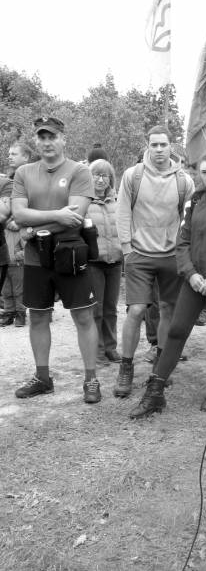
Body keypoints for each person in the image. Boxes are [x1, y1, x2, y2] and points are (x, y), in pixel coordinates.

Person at [129, 148, 206, 419]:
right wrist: (191, 274)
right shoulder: (196, 199)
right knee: (177, 329)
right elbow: (183, 242)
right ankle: (155, 392)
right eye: (204, 172)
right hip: (195, 278)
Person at [11, 116, 101, 403]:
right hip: (36, 258)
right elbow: (19, 213)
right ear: (36, 141)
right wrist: (54, 216)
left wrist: (29, 230)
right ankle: (42, 377)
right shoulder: (24, 172)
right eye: (42, 137)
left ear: (63, 139)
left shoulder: (79, 171)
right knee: (38, 317)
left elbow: (75, 216)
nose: (47, 142)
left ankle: (91, 379)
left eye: (53, 137)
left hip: (70, 255)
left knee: (83, 316)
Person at [114, 125, 194, 398]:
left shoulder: (185, 181)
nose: (159, 149)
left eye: (163, 144)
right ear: (147, 146)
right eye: (154, 144)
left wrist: (185, 253)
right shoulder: (132, 176)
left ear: (172, 146)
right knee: (136, 311)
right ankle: (126, 367)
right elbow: (122, 212)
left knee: (167, 311)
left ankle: (160, 366)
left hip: (171, 255)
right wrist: (127, 250)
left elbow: (188, 220)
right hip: (139, 254)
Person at [87, 159, 123, 364]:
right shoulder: (84, 202)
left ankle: (111, 347)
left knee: (111, 308)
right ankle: (97, 349)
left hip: (115, 263)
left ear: (110, 179)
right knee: (96, 308)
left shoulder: (117, 201)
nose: (100, 179)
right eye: (96, 175)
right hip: (94, 263)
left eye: (105, 175)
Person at [0, 142, 37, 326]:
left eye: (14, 153)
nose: (9, 156)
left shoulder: (34, 177)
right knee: (9, 284)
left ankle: (31, 311)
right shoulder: (9, 179)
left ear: (26, 157)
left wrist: (20, 221)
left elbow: (35, 205)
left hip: (29, 234)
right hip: (10, 234)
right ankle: (10, 312)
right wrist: (9, 220)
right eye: (9, 153)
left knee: (25, 281)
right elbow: (6, 208)